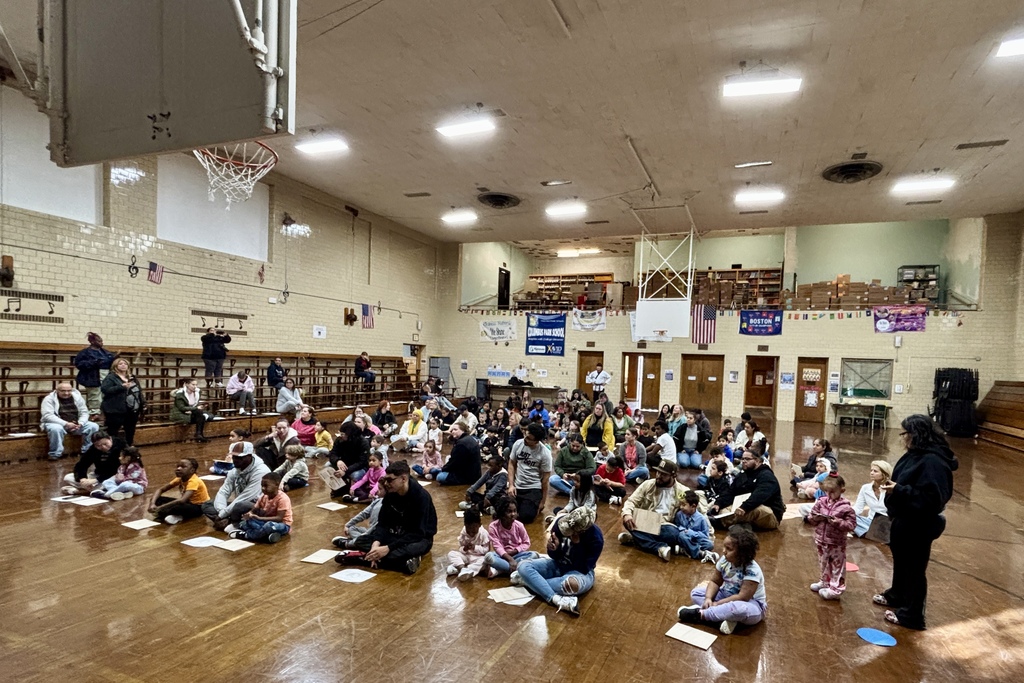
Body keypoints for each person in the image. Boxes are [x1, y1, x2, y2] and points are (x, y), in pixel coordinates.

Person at [874, 415, 958, 630]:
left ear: (916, 435)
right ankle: (897, 595)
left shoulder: (933, 461)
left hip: (919, 523)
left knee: (914, 569)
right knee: (901, 561)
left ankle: (912, 615)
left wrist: (899, 490)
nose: (902, 438)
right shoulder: (915, 454)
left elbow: (933, 499)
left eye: (904, 434)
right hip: (904, 519)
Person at [341, 460, 438, 575]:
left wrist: (387, 548)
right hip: (395, 536)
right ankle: (401, 563)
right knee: (362, 540)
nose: (386, 483)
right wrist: (376, 544)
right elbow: (383, 523)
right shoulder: (391, 493)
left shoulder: (421, 497)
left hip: (418, 538)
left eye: (390, 480)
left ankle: (364, 559)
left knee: (413, 548)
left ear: (403, 479)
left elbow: (417, 533)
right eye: (385, 479)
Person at [513, 506, 603, 616]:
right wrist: (553, 549)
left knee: (571, 585)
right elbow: (554, 556)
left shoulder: (596, 538)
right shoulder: (561, 523)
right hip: (558, 564)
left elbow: (583, 567)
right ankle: (556, 599)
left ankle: (529, 582)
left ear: (582, 531)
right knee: (523, 566)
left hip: (580, 572)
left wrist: (577, 545)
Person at [677, 526, 767, 635]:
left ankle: (701, 615)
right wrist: (708, 598)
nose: (724, 551)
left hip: (751, 604)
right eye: (724, 547)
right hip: (726, 595)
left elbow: (742, 597)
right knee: (696, 593)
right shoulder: (725, 560)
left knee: (739, 609)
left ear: (742, 553)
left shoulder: (752, 571)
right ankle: (724, 618)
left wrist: (717, 604)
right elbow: (715, 581)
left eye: (729, 549)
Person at [619, 460, 690, 561]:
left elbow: (695, 513)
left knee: (673, 534)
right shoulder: (648, 484)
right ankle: (658, 548)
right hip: (647, 520)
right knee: (627, 520)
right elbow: (631, 501)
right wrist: (627, 514)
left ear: (673, 476)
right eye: (658, 472)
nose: (659, 476)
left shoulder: (683, 491)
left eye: (663, 474)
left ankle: (636, 539)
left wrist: (707, 534)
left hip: (665, 525)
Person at [808, 474, 857, 600]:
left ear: (842, 490)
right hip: (821, 539)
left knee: (837, 566)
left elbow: (851, 525)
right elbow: (811, 516)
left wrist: (838, 522)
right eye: (827, 491)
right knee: (823, 562)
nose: (829, 495)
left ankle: (836, 589)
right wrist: (815, 518)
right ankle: (825, 581)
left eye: (833, 492)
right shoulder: (821, 502)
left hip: (837, 543)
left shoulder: (846, 507)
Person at [710, 448, 785, 531]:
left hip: (770, 513)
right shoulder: (743, 474)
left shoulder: (766, 476)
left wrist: (744, 507)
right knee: (724, 509)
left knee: (756, 510)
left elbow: (759, 496)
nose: (744, 461)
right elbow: (731, 491)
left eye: (747, 459)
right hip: (744, 506)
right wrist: (719, 503)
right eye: (742, 459)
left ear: (757, 461)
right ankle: (740, 525)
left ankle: (720, 522)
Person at [202, 441, 270, 532]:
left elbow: (246, 497)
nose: (235, 460)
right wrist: (222, 511)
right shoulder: (235, 470)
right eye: (234, 457)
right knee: (207, 504)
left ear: (250, 456)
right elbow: (223, 491)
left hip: (257, 507)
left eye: (239, 457)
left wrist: (221, 515)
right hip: (237, 507)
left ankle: (230, 522)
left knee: (241, 505)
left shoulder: (261, 471)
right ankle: (230, 521)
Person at [506, 423, 553, 524]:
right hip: (517, 486)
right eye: (525, 435)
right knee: (503, 510)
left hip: (533, 488)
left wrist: (542, 502)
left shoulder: (545, 453)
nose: (525, 439)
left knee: (526, 517)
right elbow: (511, 463)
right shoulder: (518, 444)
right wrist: (511, 485)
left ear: (537, 441)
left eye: (529, 439)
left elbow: (545, 480)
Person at [41, 382, 100, 461]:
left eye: (69, 391)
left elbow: (84, 412)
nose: (66, 393)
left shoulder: (77, 397)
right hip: (57, 423)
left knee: (93, 426)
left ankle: (87, 451)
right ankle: (55, 454)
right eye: (63, 391)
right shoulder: (49, 399)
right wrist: (66, 424)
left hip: (75, 423)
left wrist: (80, 423)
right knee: (56, 429)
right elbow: (48, 416)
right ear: (57, 390)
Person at [234, 473, 292, 543]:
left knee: (269, 526)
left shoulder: (283, 498)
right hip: (265, 522)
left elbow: (279, 518)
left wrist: (259, 518)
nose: (263, 488)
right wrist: (249, 514)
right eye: (262, 486)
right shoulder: (264, 497)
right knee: (247, 522)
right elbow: (254, 509)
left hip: (282, 524)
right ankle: (266, 536)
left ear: (277, 485)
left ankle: (247, 535)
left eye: (266, 486)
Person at [147, 458, 209, 525]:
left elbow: (182, 500)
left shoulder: (194, 481)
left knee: (176, 507)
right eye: (178, 466)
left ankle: (178, 516)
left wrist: (161, 508)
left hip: (199, 507)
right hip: (187, 503)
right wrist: (152, 503)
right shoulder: (180, 479)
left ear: (192, 470)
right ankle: (170, 514)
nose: (178, 468)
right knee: (157, 499)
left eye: (183, 467)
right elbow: (160, 490)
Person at [101, 357, 144, 445]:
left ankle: (129, 447)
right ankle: (112, 448)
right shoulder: (111, 377)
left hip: (132, 409)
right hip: (115, 409)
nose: (123, 365)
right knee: (113, 431)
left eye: (125, 364)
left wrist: (143, 403)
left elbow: (138, 391)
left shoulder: (132, 377)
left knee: (130, 430)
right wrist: (121, 387)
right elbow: (105, 389)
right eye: (120, 364)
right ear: (115, 366)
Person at [73, 332, 115, 419]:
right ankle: (94, 413)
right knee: (94, 395)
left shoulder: (106, 352)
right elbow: (79, 364)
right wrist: (94, 362)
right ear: (92, 341)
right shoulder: (84, 353)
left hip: (106, 375)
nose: (101, 343)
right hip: (92, 377)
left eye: (101, 341)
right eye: (99, 341)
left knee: (106, 394)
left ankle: (105, 412)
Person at [326, 422, 370, 498]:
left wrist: (345, 471)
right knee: (327, 466)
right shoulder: (339, 440)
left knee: (355, 475)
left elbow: (362, 462)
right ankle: (337, 487)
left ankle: (352, 490)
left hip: (358, 467)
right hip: (344, 464)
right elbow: (332, 453)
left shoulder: (363, 442)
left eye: (342, 434)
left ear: (349, 434)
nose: (340, 436)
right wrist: (337, 461)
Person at [445, 509, 490, 582]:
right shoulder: (463, 532)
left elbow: (486, 550)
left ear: (479, 525)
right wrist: (464, 548)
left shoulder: (483, 533)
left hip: (478, 557)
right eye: (468, 529)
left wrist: (475, 547)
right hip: (466, 556)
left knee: (484, 560)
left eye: (473, 530)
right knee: (451, 554)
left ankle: (461, 570)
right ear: (465, 525)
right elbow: (460, 548)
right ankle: (462, 569)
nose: (471, 533)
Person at [672, 490, 716, 562]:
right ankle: (699, 554)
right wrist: (684, 531)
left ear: (693, 506)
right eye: (680, 504)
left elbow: (705, 535)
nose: (681, 507)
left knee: (710, 544)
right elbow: (677, 526)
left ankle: (685, 549)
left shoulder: (702, 519)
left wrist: (691, 533)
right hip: (684, 537)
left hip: (695, 538)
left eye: (684, 505)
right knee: (682, 536)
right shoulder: (679, 514)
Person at [853, 460, 893, 537]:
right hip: (869, 522)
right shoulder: (865, 488)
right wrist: (845, 513)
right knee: (849, 518)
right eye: (871, 470)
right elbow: (858, 508)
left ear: (884, 474)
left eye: (875, 471)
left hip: (886, 523)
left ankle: (868, 533)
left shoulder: (890, 489)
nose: (871, 473)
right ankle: (870, 533)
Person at [438, 421, 482, 486]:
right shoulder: (469, 438)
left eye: (455, 430)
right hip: (475, 473)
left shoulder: (461, 444)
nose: (453, 432)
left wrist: (444, 469)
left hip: (468, 476)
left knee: (440, 476)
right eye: (452, 430)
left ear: (463, 430)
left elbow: (455, 462)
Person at [169, 378, 210, 443]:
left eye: (196, 385)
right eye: (193, 384)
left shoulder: (197, 393)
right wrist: (195, 408)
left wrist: (200, 407)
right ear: (187, 384)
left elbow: (194, 405)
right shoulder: (180, 394)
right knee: (200, 414)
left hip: (192, 413)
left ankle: (199, 434)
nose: (195, 386)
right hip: (180, 414)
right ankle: (199, 434)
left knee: (202, 416)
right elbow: (181, 408)